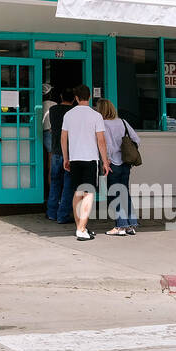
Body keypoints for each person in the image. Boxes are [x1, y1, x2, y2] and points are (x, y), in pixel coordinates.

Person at [61, 84, 109, 241]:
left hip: (74, 158)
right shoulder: (96, 116)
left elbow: (63, 138)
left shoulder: (69, 115)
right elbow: (101, 140)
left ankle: (80, 227)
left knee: (77, 193)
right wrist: (105, 161)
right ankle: (81, 229)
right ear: (89, 97)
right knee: (88, 193)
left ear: (76, 98)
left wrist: (66, 158)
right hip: (90, 159)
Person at [98, 98, 140, 235]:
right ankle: (131, 225)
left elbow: (107, 145)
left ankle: (120, 226)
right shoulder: (123, 122)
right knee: (124, 192)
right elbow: (136, 139)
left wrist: (106, 160)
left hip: (112, 163)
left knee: (114, 194)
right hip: (125, 163)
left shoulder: (103, 124)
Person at [43, 86, 74, 222]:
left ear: (61, 97)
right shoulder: (74, 112)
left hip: (56, 150)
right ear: (74, 99)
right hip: (70, 151)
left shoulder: (53, 110)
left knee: (55, 182)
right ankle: (63, 215)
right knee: (68, 184)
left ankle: (51, 212)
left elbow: (52, 127)